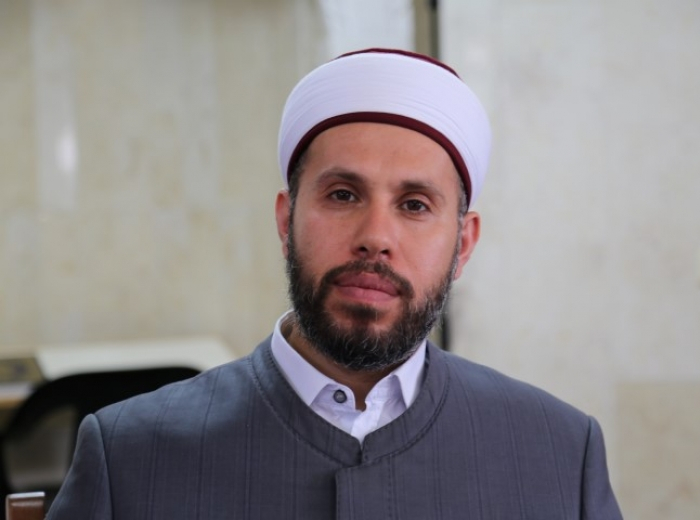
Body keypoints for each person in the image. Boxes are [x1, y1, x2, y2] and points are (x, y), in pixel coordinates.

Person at [48, 48, 623, 519]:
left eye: (415, 205)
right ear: (286, 220)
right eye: (343, 195)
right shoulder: (129, 455)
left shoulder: (559, 452)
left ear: (463, 245)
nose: (375, 237)